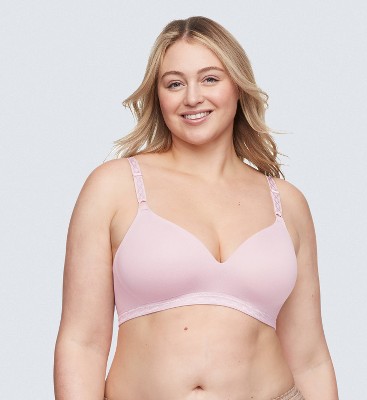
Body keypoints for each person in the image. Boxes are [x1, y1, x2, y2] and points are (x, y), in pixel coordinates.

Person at [53, 16, 338, 400]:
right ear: (158, 97)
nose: (192, 97)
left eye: (210, 79)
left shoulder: (287, 203)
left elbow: (311, 358)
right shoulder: (114, 187)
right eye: (174, 83)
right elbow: (82, 343)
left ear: (238, 86)